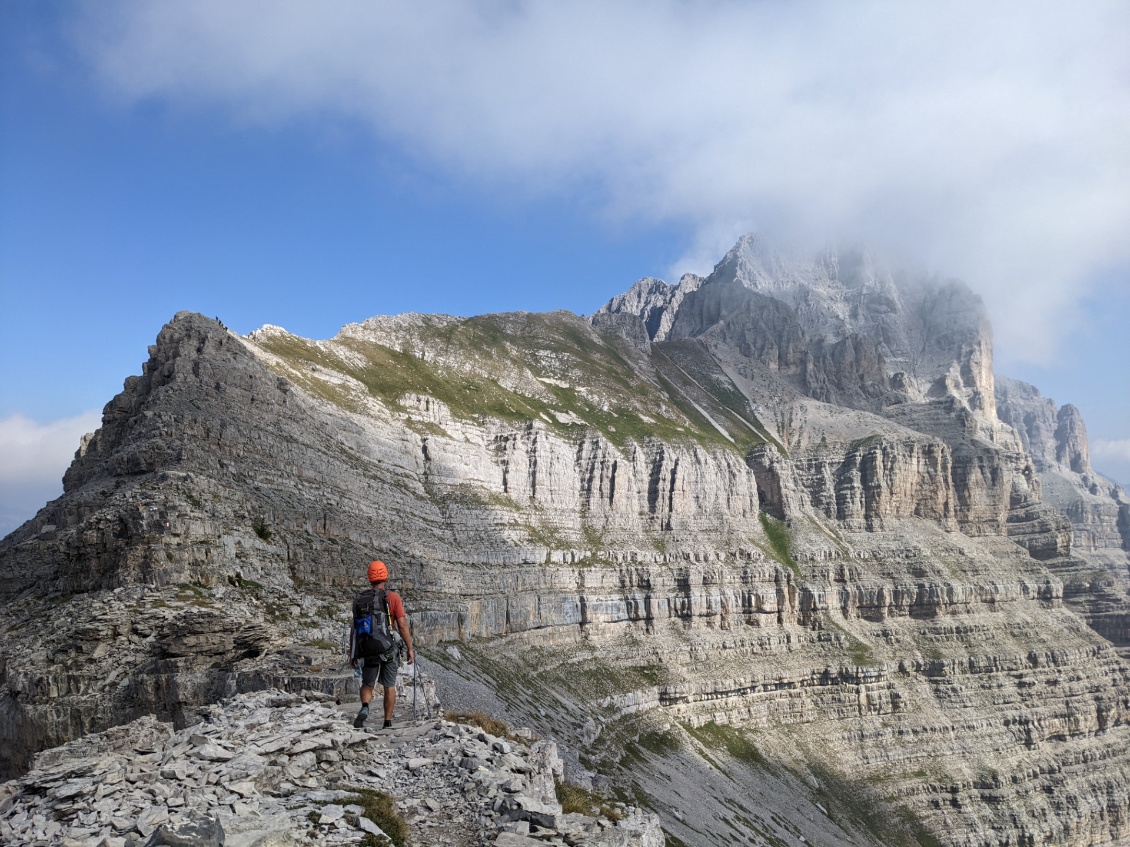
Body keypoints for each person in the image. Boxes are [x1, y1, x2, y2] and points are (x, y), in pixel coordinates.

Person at [348, 560, 414, 729]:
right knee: (389, 685)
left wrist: (353, 653)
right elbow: (402, 625)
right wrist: (410, 648)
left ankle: (365, 707)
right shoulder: (392, 597)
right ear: (386, 576)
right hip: (388, 649)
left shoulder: (359, 600)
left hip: (367, 648)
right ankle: (387, 722)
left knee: (367, 684)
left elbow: (355, 629)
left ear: (369, 578)